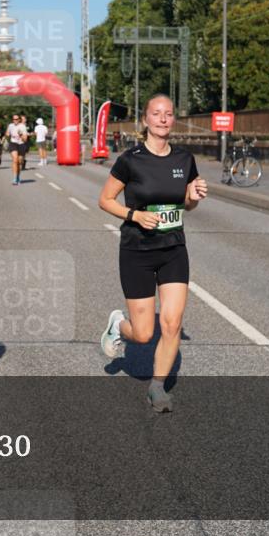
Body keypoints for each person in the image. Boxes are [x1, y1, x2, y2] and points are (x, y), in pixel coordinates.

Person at [97, 94, 208, 413]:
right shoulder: (130, 159)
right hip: (137, 251)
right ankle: (118, 325)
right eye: (156, 114)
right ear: (145, 120)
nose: (162, 119)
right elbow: (105, 200)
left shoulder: (184, 159)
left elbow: (187, 204)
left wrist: (194, 196)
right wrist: (135, 215)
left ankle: (157, 387)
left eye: (168, 114)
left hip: (173, 249)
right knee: (144, 334)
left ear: (173, 120)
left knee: (172, 323)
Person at [6, 114, 27, 185]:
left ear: (19, 119)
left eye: (16, 119)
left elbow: (25, 139)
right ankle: (14, 179)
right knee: (15, 160)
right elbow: (7, 133)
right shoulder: (10, 125)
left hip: (21, 144)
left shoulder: (22, 126)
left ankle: (18, 176)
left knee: (19, 162)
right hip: (13, 143)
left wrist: (20, 134)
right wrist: (7, 134)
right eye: (14, 119)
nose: (15, 120)